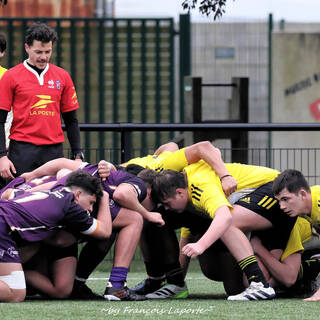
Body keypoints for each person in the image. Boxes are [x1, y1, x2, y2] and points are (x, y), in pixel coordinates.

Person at [148, 162, 297, 301]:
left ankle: (259, 284)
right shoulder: (188, 193)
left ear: (180, 192)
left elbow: (225, 218)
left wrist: (201, 245)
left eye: (167, 203)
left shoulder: (201, 187)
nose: (166, 208)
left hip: (276, 188)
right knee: (235, 288)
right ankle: (259, 282)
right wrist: (177, 282)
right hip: (264, 196)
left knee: (227, 221)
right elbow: (186, 237)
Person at [18, 158, 163, 301]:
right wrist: (147, 214)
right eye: (157, 203)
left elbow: (60, 171)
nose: (91, 208)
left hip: (55, 232)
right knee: (133, 219)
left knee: (62, 290)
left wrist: (30, 178)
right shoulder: (123, 184)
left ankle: (75, 282)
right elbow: (121, 198)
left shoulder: (77, 181)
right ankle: (116, 286)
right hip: (30, 230)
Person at [0, 170, 111, 302]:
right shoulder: (71, 205)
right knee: (15, 293)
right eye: (91, 202)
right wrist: (105, 198)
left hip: (4, 222)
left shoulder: (49, 192)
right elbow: (105, 232)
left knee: (32, 247)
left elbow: (8, 194)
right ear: (78, 194)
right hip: (3, 226)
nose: (91, 209)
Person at [0, 22, 83, 181]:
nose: (43, 57)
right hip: (21, 150)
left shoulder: (63, 76)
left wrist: (77, 154)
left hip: (54, 152)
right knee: (17, 199)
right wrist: (2, 157)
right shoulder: (10, 76)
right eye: (38, 52)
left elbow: (71, 120)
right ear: (27, 48)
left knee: (51, 200)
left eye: (48, 51)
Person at [272, 169, 320, 301]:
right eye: (279, 201)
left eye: (286, 199)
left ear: (303, 194)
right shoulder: (306, 206)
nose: (282, 206)